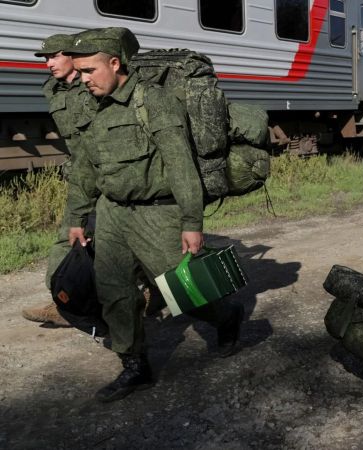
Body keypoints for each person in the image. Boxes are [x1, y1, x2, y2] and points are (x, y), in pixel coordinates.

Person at [63, 27, 245, 402]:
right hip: (111, 214)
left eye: (89, 71)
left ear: (115, 64)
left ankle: (226, 315)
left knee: (187, 290)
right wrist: (76, 218)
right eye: (79, 72)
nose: (83, 80)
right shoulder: (92, 107)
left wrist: (192, 222)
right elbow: (83, 168)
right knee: (115, 294)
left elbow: (180, 165)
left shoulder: (153, 100)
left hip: (158, 214)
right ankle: (135, 367)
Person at [21, 33, 98, 328]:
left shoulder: (94, 85)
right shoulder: (53, 89)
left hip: (110, 174)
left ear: (73, 56)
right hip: (83, 174)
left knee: (128, 242)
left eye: (54, 56)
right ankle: (62, 302)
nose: (49, 63)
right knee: (68, 236)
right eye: (45, 58)